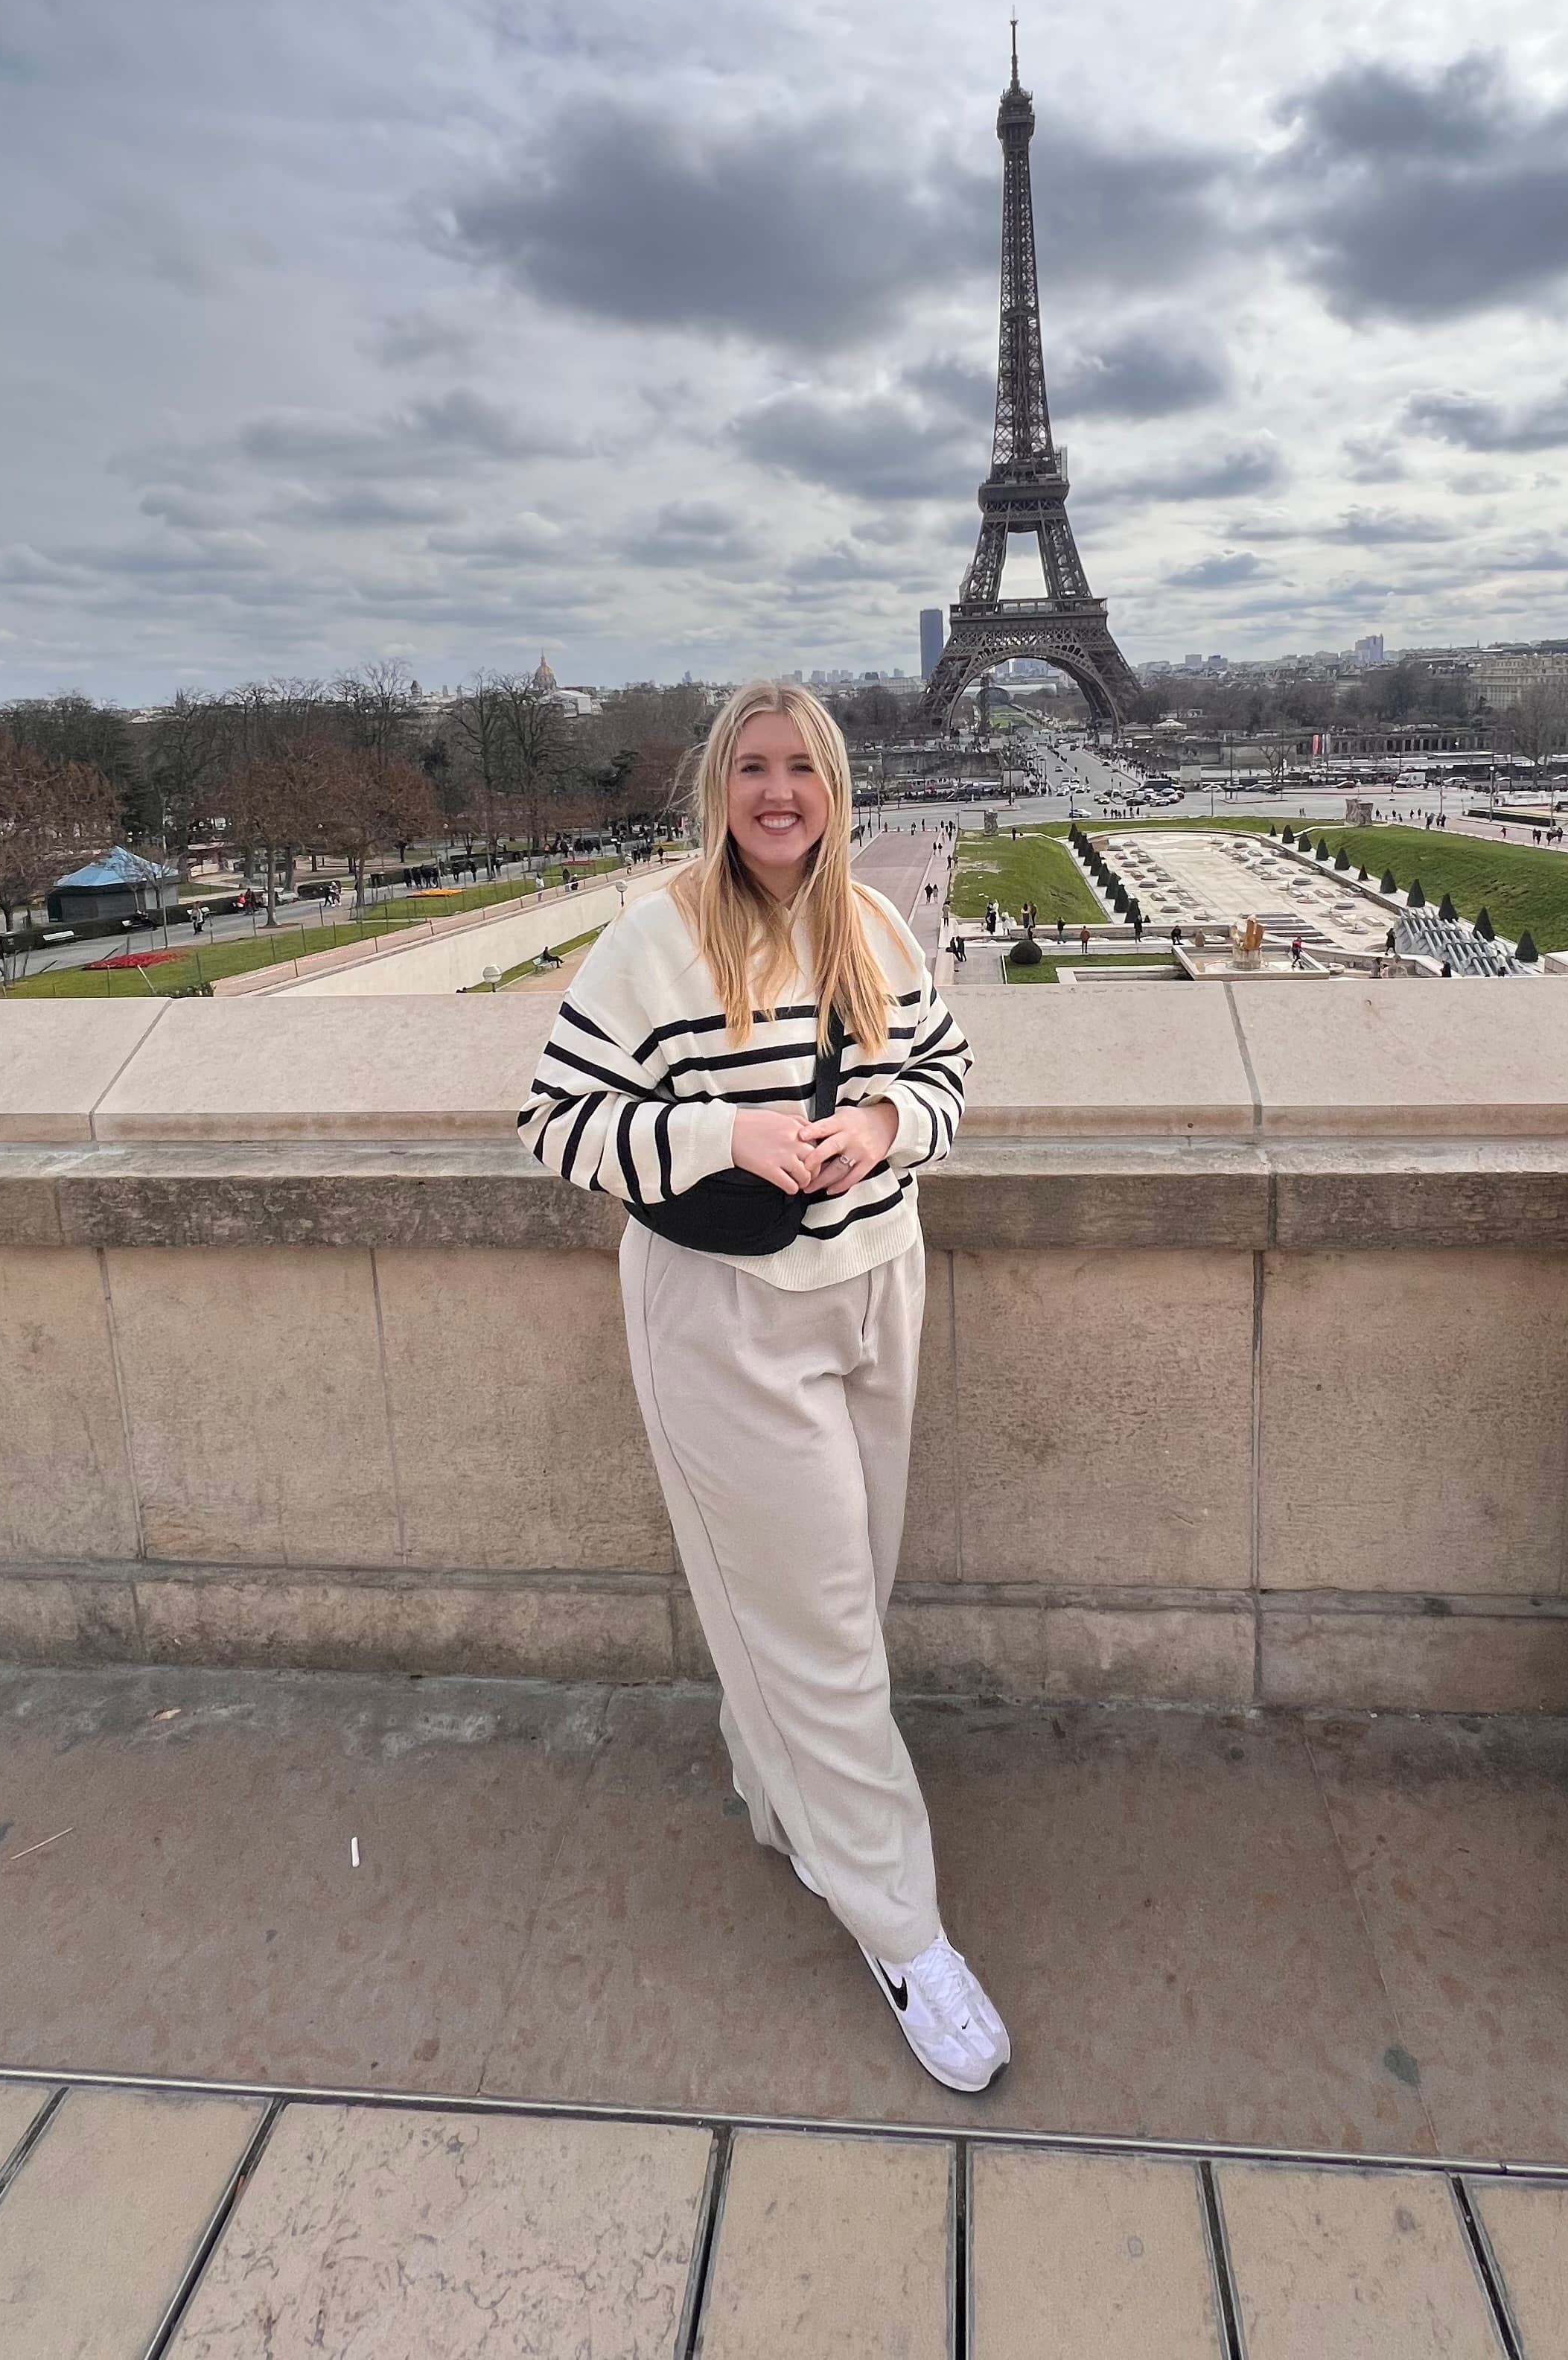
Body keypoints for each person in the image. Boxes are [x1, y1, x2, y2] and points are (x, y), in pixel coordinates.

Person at [518, 679, 1007, 2095]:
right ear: (717, 789)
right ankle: (904, 1930)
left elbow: (946, 1072)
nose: (779, 792)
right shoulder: (653, 938)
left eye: (803, 768)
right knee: (832, 1637)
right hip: (728, 1318)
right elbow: (558, 1118)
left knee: (839, 1584)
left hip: (875, 1283)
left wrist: (881, 1120)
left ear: (836, 786)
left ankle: (777, 1797)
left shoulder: (874, 924)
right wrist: (729, 1133)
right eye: (754, 768)